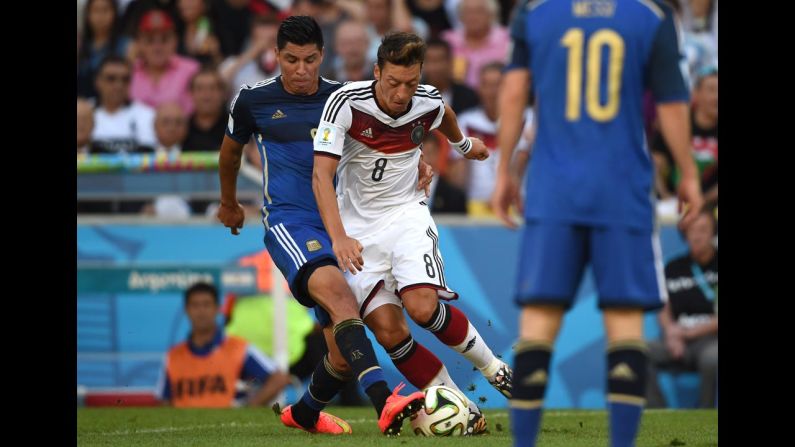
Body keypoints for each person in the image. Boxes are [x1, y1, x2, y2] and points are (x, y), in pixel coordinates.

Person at [492, 1, 705, 446]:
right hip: (621, 187)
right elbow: (672, 100)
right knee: (624, 323)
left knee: (538, 322)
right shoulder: (652, 15)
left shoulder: (536, 11)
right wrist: (687, 171)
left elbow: (513, 92)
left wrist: (504, 171)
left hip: (553, 188)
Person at [216, 16, 425, 436]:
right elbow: (230, 154)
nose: (300, 69)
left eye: (309, 59)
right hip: (290, 222)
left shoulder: (344, 98)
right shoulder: (252, 101)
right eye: (291, 59)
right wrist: (229, 203)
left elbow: (384, 141)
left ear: (322, 57)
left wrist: (418, 163)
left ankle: (306, 413)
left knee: (343, 355)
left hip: (342, 224)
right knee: (342, 299)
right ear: (276, 56)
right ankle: (386, 400)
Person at [311, 32, 514, 431]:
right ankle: (460, 407)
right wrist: (338, 236)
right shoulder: (345, 103)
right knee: (390, 331)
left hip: (405, 215)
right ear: (376, 72)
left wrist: (462, 144)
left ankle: (495, 370)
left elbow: (444, 115)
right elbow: (321, 174)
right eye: (394, 82)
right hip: (356, 234)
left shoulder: (427, 98)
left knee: (422, 308)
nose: (403, 93)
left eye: (410, 82)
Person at [155, 282, 291, 407]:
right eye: (195, 305)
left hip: (226, 427)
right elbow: (164, 401)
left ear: (217, 309)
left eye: (206, 304)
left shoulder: (239, 348)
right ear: (187, 310)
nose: (201, 311)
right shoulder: (173, 356)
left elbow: (279, 379)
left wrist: (249, 408)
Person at [646, 208, 717, 409]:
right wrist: (670, 332)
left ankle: (705, 422)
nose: (697, 236)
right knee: (638, 352)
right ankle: (659, 418)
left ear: (713, 233)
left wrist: (689, 332)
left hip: (710, 341)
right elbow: (663, 307)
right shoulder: (673, 267)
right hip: (677, 341)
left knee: (713, 358)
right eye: (692, 231)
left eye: (703, 230)